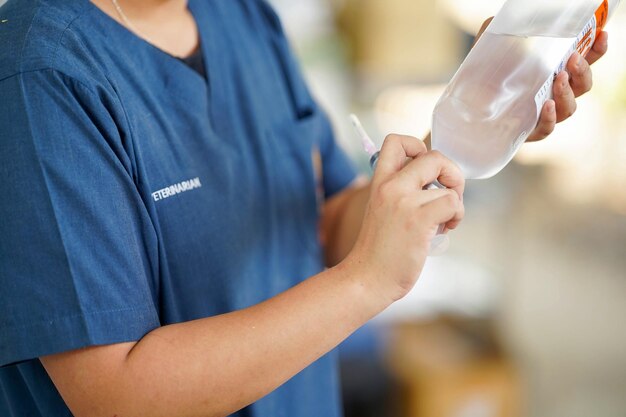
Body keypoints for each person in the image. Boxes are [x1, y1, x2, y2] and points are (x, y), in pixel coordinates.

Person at [0, 0, 607, 416]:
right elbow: (114, 395)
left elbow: (328, 220)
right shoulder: (43, 78)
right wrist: (367, 282)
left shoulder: (240, 16)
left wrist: (473, 123)